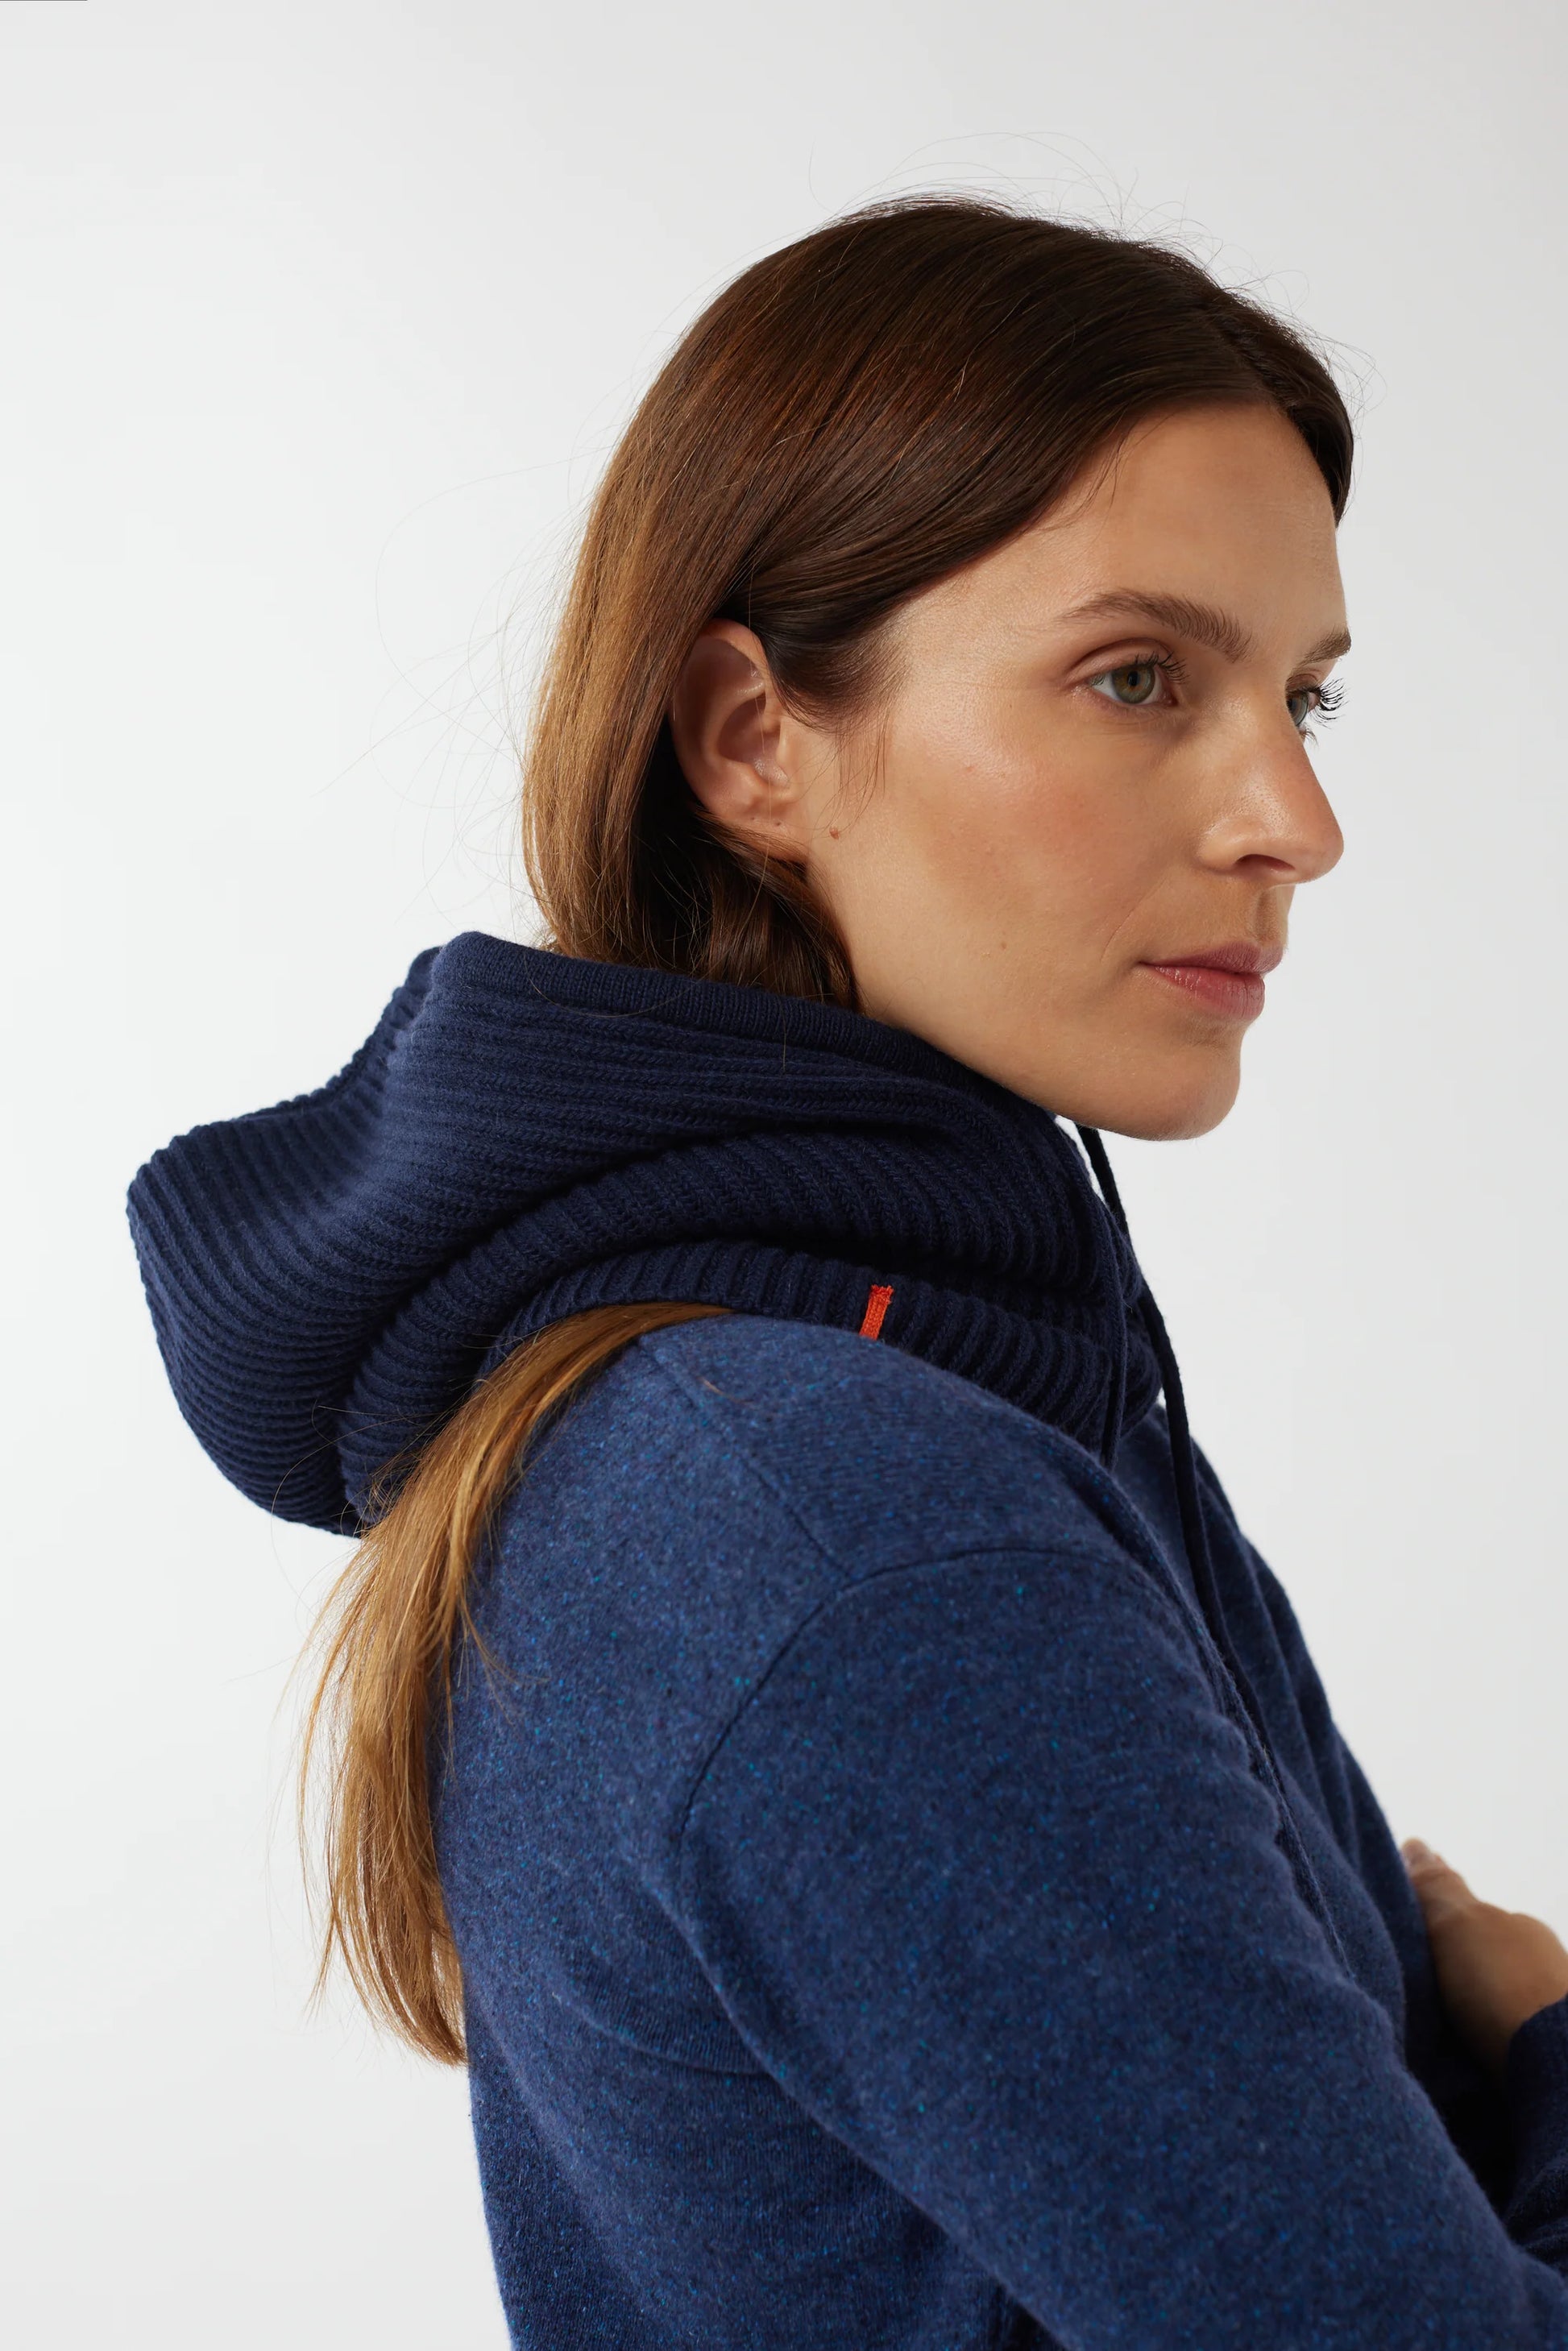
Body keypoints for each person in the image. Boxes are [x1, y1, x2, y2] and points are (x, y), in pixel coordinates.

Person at [127, 196, 1568, 2347]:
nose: (1293, 818)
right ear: (751, 739)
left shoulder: (964, 1387)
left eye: (1305, 699)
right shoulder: (846, 1515)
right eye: (1137, 679)